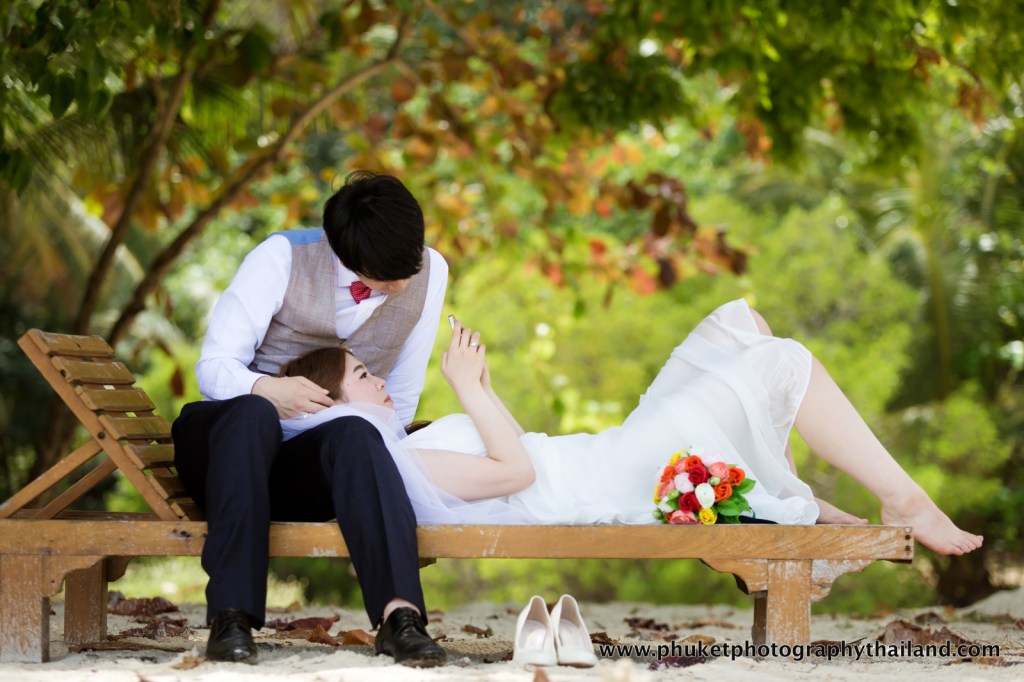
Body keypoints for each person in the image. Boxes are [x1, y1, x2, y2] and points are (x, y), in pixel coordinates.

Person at [281, 299, 983, 557]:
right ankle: (904, 500)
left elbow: (519, 454)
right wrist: (468, 388)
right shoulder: (405, 466)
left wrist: (482, 393)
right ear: (334, 404)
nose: (376, 378)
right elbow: (519, 474)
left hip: (609, 452)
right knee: (783, 361)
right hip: (623, 473)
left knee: (739, 325)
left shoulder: (410, 445)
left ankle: (796, 499)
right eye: (360, 377)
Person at [171, 171, 449, 667]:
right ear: (347, 255)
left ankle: (399, 618)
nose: (404, 284)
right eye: (387, 275)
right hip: (229, 450)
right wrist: (266, 388)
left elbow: (400, 397)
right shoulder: (279, 258)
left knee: (363, 430)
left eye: (409, 265)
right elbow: (213, 369)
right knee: (253, 412)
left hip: (308, 470)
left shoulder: (429, 274)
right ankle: (231, 619)